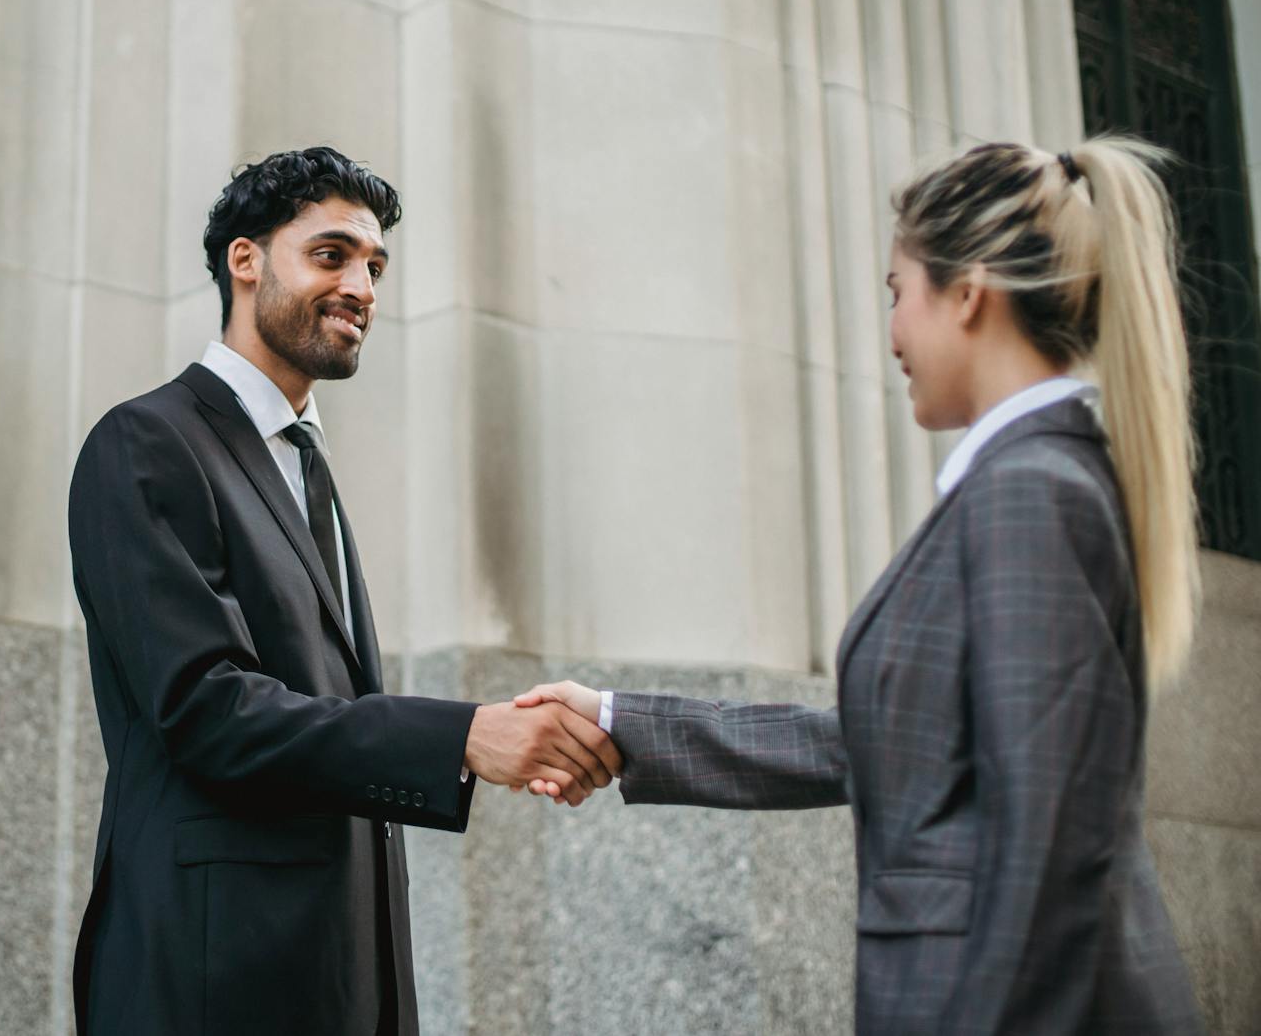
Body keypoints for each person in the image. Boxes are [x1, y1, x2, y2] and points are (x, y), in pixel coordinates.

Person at [518, 137, 1205, 1034]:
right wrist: (617, 720)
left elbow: (1048, 848)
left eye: (897, 292)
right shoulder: (1019, 486)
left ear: (968, 292)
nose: (891, 334)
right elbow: (880, 738)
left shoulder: (1031, 495)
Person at [67, 147, 621, 1035]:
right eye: (331, 255)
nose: (362, 285)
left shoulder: (304, 461)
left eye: (374, 266)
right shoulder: (146, 442)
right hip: (209, 980)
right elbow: (207, 708)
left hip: (343, 977)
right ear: (244, 261)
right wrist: (463, 736)